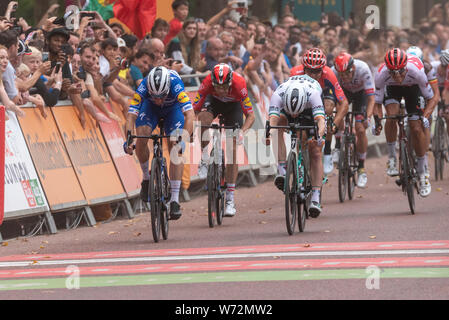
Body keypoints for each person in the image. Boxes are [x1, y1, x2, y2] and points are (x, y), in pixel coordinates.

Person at [124, 66, 195, 220]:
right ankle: (146, 178)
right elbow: (130, 117)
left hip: (173, 110)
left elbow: (189, 115)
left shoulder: (176, 85)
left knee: (176, 147)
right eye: (154, 96)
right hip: (150, 110)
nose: (158, 100)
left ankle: (175, 199)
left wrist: (184, 136)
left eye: (162, 96)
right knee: (142, 135)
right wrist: (129, 140)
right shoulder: (143, 87)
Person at [374, 48, 438, 198]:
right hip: (392, 90)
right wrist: (377, 120)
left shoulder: (417, 71)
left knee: (416, 129)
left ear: (406, 67)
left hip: (413, 89)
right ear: (387, 70)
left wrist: (425, 116)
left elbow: (432, 98)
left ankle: (423, 174)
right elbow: (376, 102)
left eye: (400, 72)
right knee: (391, 117)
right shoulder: (381, 74)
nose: (397, 76)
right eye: (393, 72)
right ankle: (391, 158)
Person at [194, 63, 255, 217]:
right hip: (213, 103)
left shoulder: (239, 84)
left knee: (232, 149)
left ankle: (230, 199)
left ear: (230, 81)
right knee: (204, 119)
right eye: (218, 87)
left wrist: (242, 132)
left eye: (224, 87)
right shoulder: (207, 82)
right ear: (212, 82)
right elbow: (193, 110)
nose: (221, 90)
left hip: (233, 107)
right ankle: (204, 157)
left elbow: (251, 116)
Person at [265, 74, 326, 217]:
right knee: (278, 126)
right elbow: (272, 119)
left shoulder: (314, 94)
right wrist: (269, 133)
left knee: (316, 151)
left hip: (308, 111)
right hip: (288, 106)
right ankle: (282, 169)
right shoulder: (278, 94)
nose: (294, 117)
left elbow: (321, 121)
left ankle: (316, 198)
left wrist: (319, 136)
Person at [291, 48, 349, 175]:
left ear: (322, 69)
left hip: (323, 93)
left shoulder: (328, 74)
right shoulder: (295, 73)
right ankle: (301, 162)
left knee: (328, 108)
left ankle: (327, 152)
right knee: (302, 135)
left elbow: (344, 103)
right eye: (309, 71)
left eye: (317, 71)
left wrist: (335, 123)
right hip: (304, 97)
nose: (312, 75)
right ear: (304, 68)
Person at [332, 52, 376, 188]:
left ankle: (361, 168)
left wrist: (368, 117)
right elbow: (331, 98)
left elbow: (371, 98)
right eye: (341, 75)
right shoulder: (334, 72)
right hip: (344, 94)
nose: (344, 78)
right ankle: (338, 147)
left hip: (360, 95)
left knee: (360, 129)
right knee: (338, 113)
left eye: (347, 74)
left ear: (353, 69)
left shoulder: (363, 69)